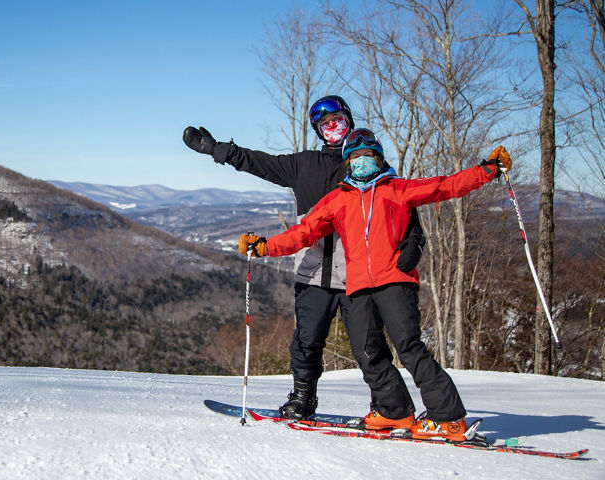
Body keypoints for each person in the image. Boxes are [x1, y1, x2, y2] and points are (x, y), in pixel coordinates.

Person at [239, 129, 512, 441]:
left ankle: (447, 417)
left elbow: (444, 187)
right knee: (367, 353)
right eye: (353, 157)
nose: (360, 161)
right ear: (346, 163)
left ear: (379, 159)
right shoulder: (337, 200)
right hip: (356, 288)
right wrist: (264, 247)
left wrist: (486, 170)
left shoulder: (396, 189)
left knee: (409, 348)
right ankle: (393, 410)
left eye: (366, 155)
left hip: (394, 281)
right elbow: (304, 232)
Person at [183, 96, 425, 420]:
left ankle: (387, 406)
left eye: (337, 119)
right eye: (325, 124)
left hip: (358, 276)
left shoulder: (366, 161)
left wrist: (414, 243)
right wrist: (217, 150)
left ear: (349, 120)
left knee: (369, 347)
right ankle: (302, 399)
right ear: (318, 130)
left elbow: (400, 203)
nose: (332, 127)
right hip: (312, 275)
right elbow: (259, 162)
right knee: (306, 343)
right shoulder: (304, 165)